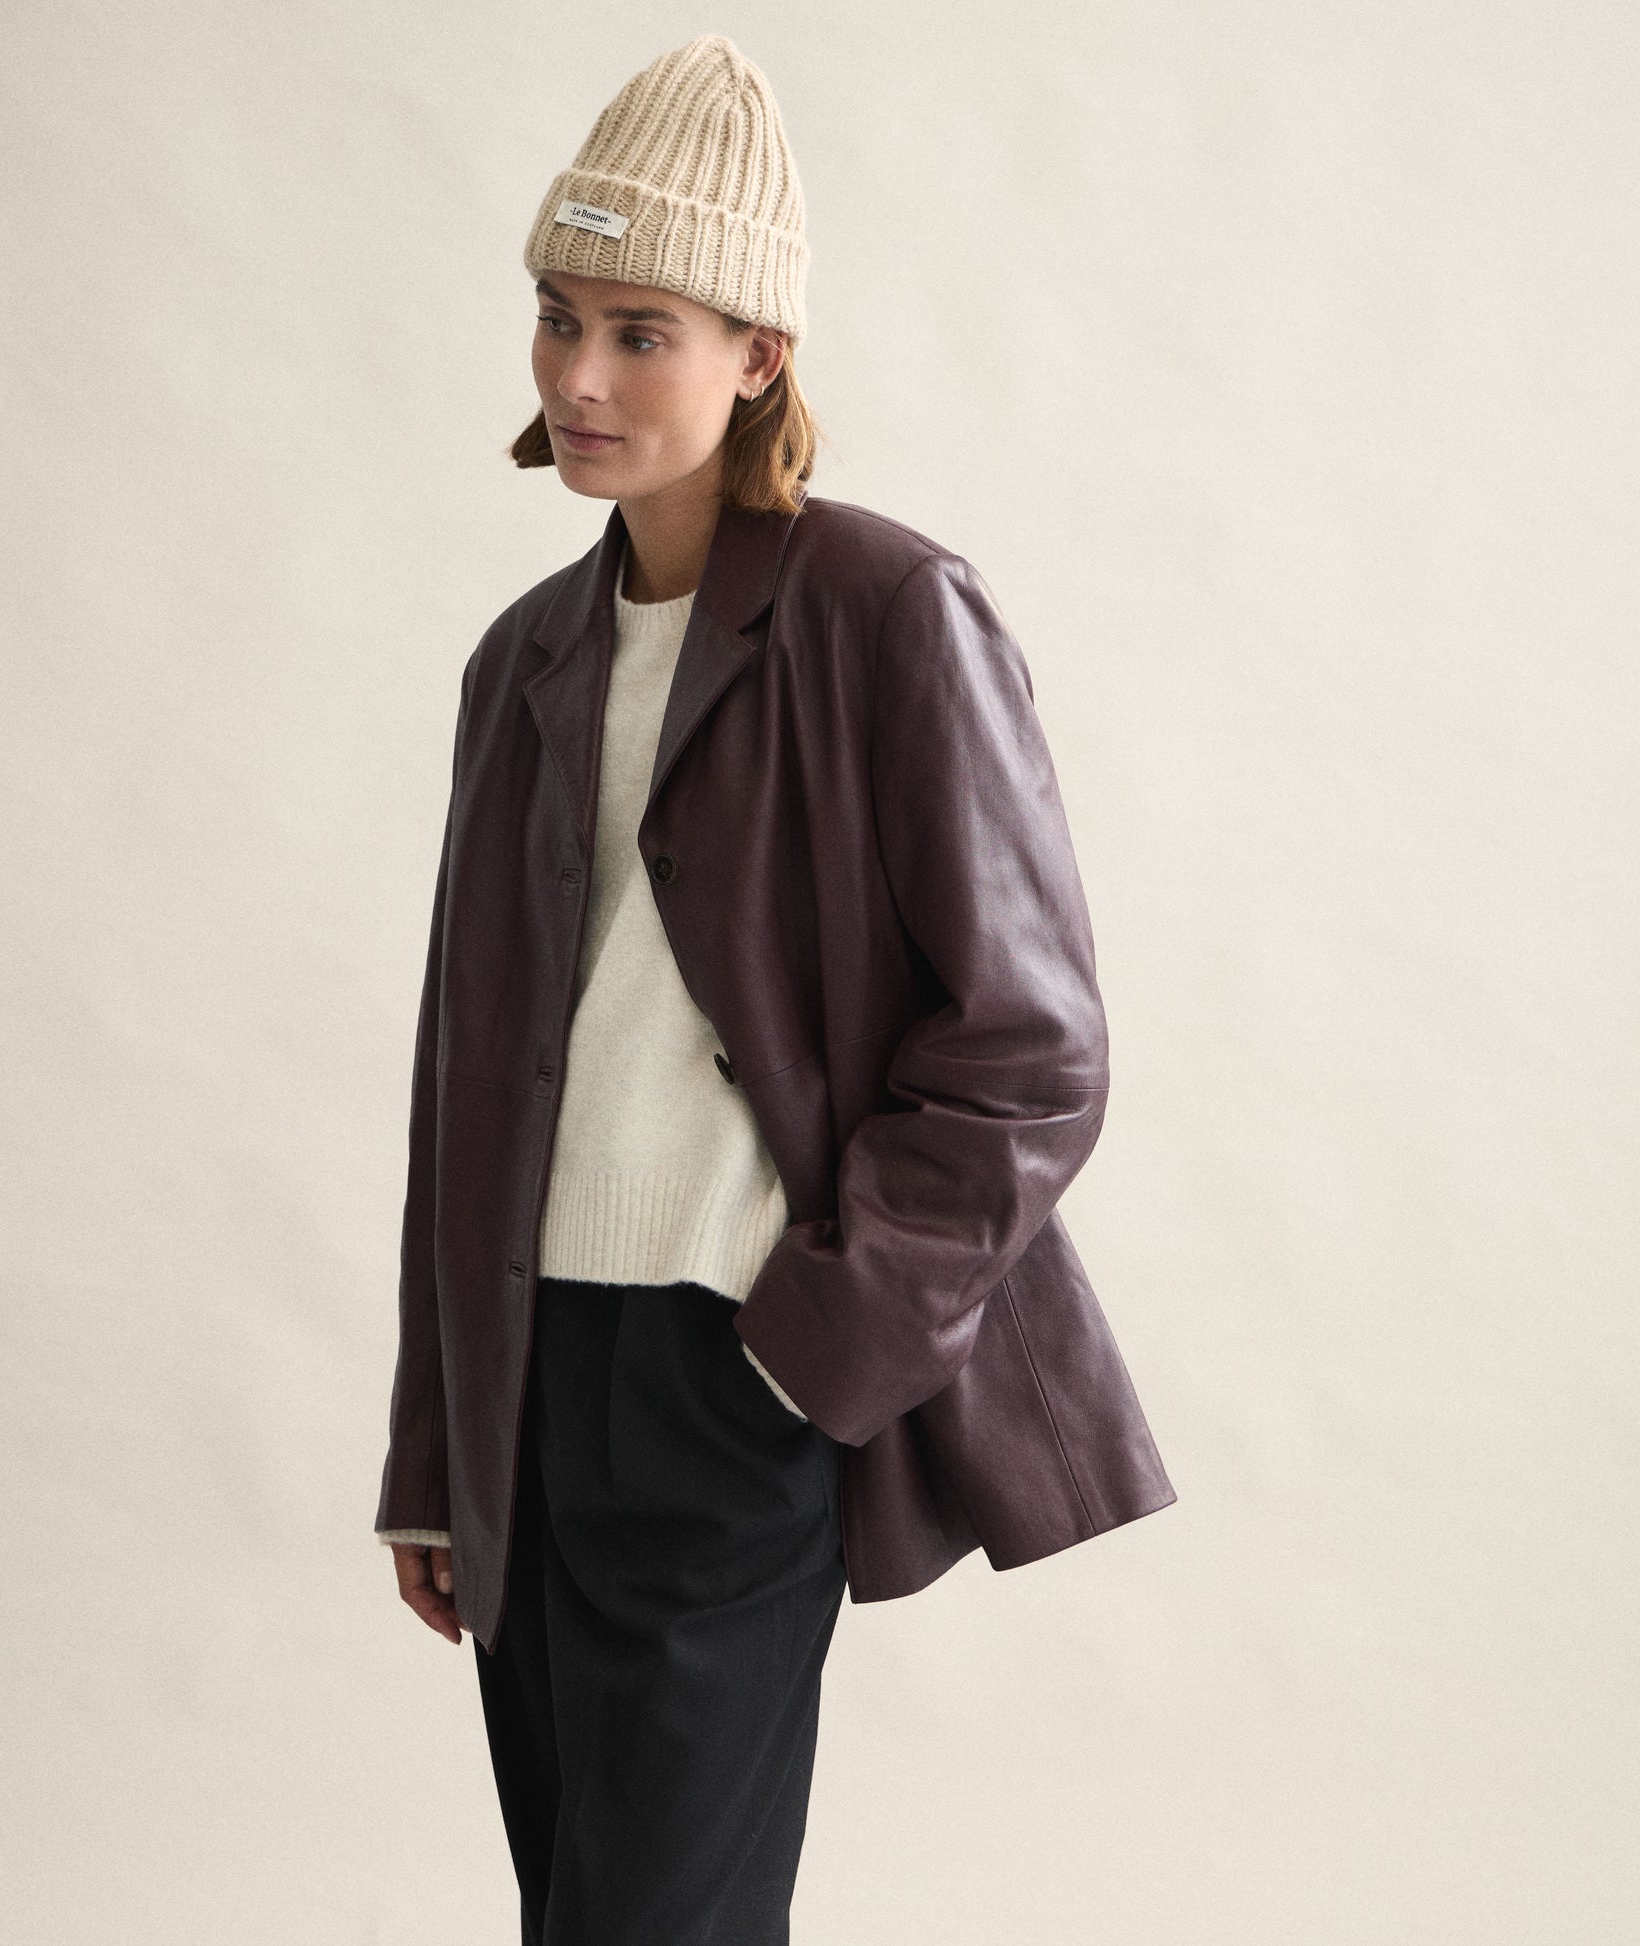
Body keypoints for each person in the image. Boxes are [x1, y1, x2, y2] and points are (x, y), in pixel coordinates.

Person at [374, 33, 1175, 1945]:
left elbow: (1030, 1048)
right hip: (530, 1370)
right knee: (578, 1902)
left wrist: (815, 1340)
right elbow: (462, 1079)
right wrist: (435, 1443)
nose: (577, 377)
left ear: (758, 357)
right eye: (557, 319)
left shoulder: (887, 613)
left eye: (640, 331)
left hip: (732, 1359)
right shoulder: (524, 661)